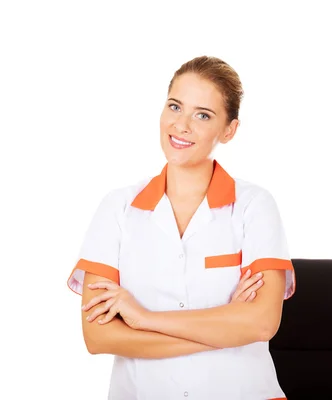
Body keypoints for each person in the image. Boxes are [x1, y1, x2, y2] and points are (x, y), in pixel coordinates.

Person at [67, 55, 296, 400]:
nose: (182, 125)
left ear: (229, 130)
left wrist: (143, 319)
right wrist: (227, 324)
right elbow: (99, 337)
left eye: (203, 115)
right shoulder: (118, 208)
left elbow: (262, 324)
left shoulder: (254, 206)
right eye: (175, 107)